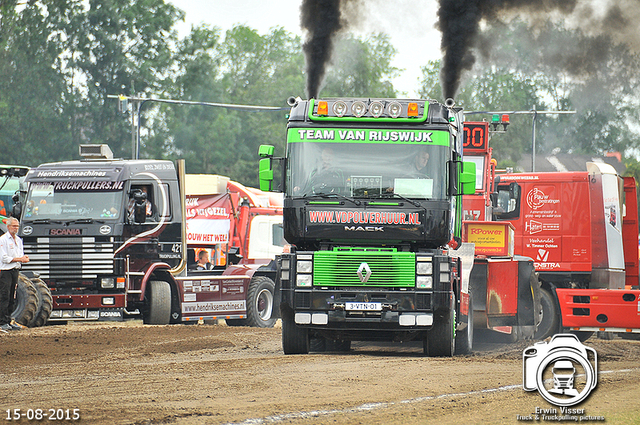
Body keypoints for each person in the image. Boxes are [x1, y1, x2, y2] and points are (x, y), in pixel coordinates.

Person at [0, 217, 29, 331]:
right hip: (5, 271)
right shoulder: (3, 240)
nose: (16, 228)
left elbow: (20, 255)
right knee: (4, 296)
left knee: (12, 296)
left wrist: (22, 259)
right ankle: (2, 322)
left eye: (17, 226)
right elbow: (4, 258)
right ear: (8, 226)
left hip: (15, 270)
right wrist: (20, 259)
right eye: (14, 226)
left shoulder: (19, 240)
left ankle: (8, 320)